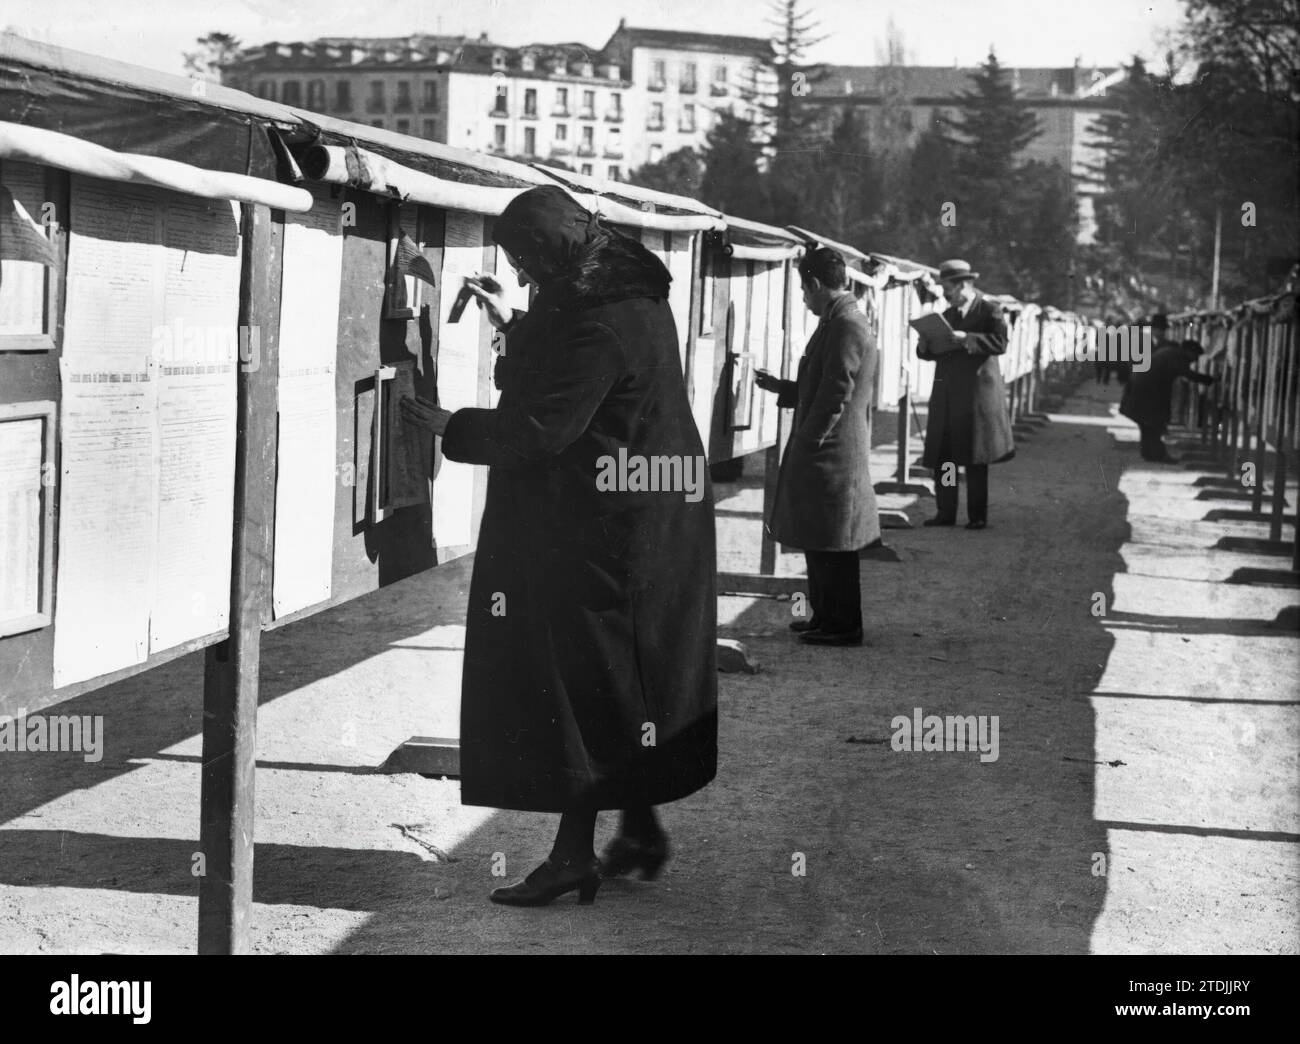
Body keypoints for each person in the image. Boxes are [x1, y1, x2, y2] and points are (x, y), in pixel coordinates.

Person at [400, 186, 717, 906]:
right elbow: (578, 369)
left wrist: (452, 425)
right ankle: (636, 829)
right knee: (624, 680)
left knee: (581, 685)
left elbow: (542, 429)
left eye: (522, 263)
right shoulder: (623, 291)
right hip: (647, 517)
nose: (518, 276)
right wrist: (512, 320)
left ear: (548, 252)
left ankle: (572, 856)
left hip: (612, 534)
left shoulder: (595, 319)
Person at [754, 247, 878, 647]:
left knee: (835, 540)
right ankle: (825, 616)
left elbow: (836, 394)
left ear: (816, 284)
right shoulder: (838, 319)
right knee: (821, 535)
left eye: (804, 291)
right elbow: (823, 386)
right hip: (828, 445)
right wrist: (782, 388)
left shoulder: (846, 325)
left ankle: (844, 626)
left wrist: (808, 442)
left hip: (832, 450)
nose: (804, 300)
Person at [916, 259, 1015, 530]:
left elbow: (1001, 342)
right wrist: (925, 344)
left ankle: (977, 515)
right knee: (946, 457)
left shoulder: (989, 309)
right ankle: (946, 512)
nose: (945, 294)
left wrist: (967, 338)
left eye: (947, 288)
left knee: (974, 457)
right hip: (947, 395)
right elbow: (931, 352)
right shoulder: (947, 314)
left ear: (963, 285)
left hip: (975, 397)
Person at [1119, 330, 1215, 463]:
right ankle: (1160, 455)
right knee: (1154, 423)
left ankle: (1149, 454)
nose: (1195, 360)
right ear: (1189, 351)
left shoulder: (1171, 352)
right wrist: (1210, 380)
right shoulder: (1178, 356)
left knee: (1147, 425)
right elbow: (1187, 373)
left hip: (1140, 387)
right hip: (1146, 390)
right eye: (1195, 356)